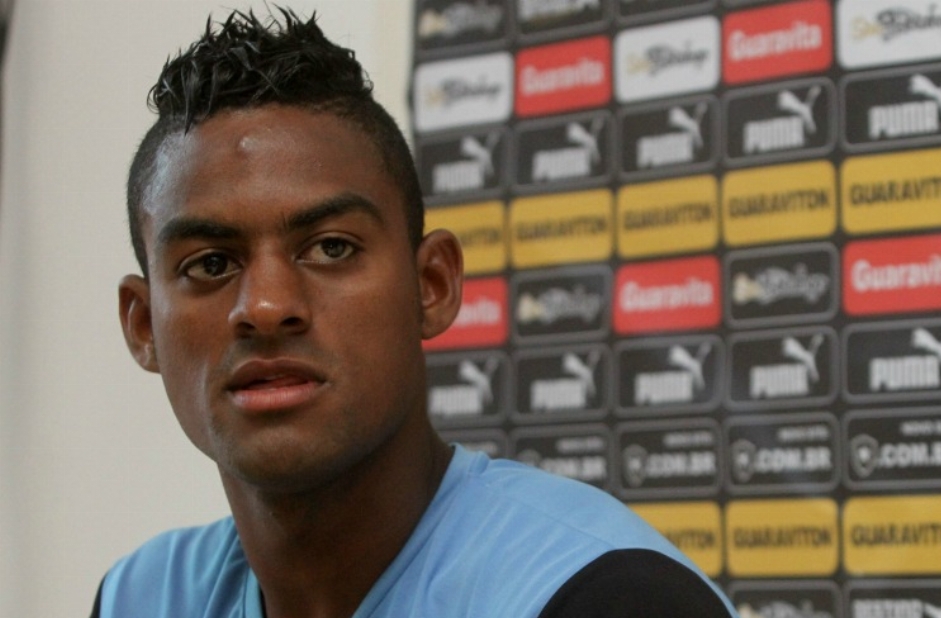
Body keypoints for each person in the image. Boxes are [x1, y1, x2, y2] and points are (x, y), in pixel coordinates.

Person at [93, 7, 736, 617]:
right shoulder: (143, 598)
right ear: (143, 326)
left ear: (431, 285)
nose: (266, 306)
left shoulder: (605, 596)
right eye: (210, 263)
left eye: (331, 248)